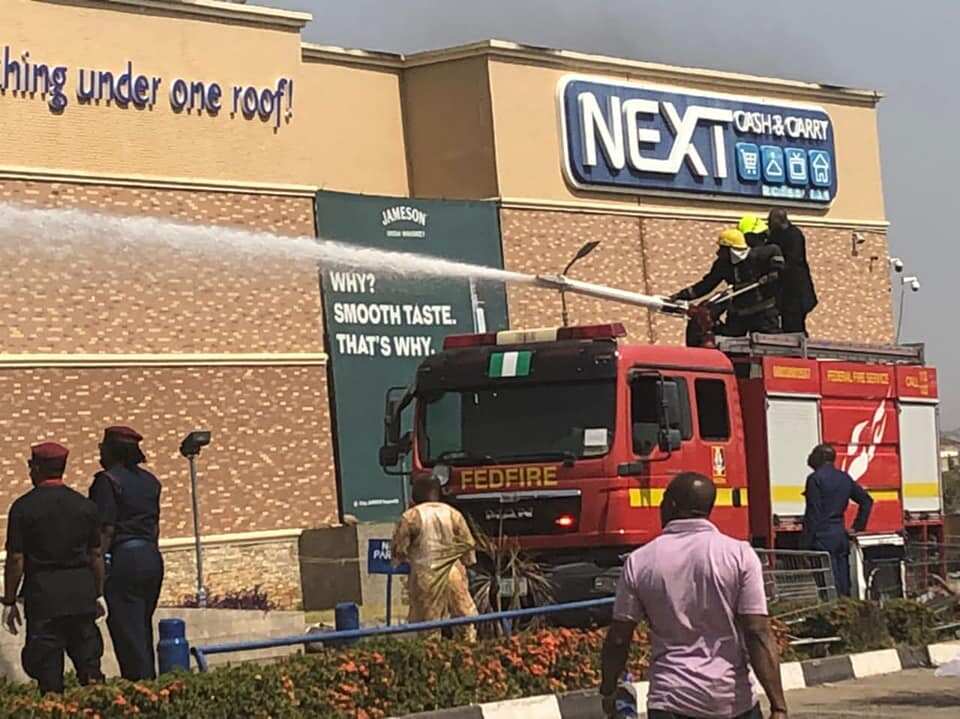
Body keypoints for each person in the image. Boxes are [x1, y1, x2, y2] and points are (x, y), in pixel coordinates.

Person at [600, 472, 787, 719]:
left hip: (671, 699)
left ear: (672, 505)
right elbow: (757, 632)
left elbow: (619, 638)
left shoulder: (640, 561)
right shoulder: (739, 555)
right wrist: (778, 706)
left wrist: (609, 690)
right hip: (733, 701)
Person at [2, 442, 105, 694]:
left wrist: (9, 599)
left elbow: (16, 558)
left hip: (44, 598)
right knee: (90, 669)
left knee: (48, 676)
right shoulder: (85, 506)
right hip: (81, 595)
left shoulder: (23, 508)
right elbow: (96, 554)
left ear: (36, 468)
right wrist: (98, 592)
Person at [88, 426, 164, 680]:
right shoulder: (150, 482)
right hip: (151, 558)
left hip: (125, 558)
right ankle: (150, 683)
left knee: (127, 631)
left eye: (103, 447)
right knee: (142, 628)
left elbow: (105, 529)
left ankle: (141, 692)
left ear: (113, 451)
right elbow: (154, 527)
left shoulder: (107, 481)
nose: (100, 451)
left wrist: (96, 565)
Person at [391, 476, 479, 643]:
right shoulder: (453, 513)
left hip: (426, 576)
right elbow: (468, 546)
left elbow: (398, 551)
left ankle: (434, 663)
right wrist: (465, 562)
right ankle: (468, 658)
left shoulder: (411, 516)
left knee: (429, 629)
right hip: (454, 574)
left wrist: (403, 561)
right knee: (465, 622)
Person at [670, 228, 785, 346]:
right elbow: (706, 285)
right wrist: (681, 295)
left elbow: (774, 250)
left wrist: (774, 271)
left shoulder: (757, 256)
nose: (718, 253)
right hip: (739, 313)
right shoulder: (722, 265)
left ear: (731, 250)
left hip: (763, 313)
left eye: (722, 249)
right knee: (731, 345)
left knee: (770, 345)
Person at [801, 444, 873, 597]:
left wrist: (805, 544)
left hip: (821, 537)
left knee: (826, 585)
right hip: (840, 536)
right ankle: (846, 609)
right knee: (842, 581)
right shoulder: (844, 478)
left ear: (819, 458)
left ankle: (831, 614)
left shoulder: (815, 479)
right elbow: (866, 501)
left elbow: (813, 513)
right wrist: (857, 526)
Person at [767, 209, 818, 335]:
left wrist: (778, 269)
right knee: (786, 321)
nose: (768, 223)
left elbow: (793, 259)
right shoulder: (775, 235)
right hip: (784, 290)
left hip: (795, 289)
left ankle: (798, 350)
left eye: (770, 220)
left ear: (778, 220)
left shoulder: (794, 235)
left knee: (794, 324)